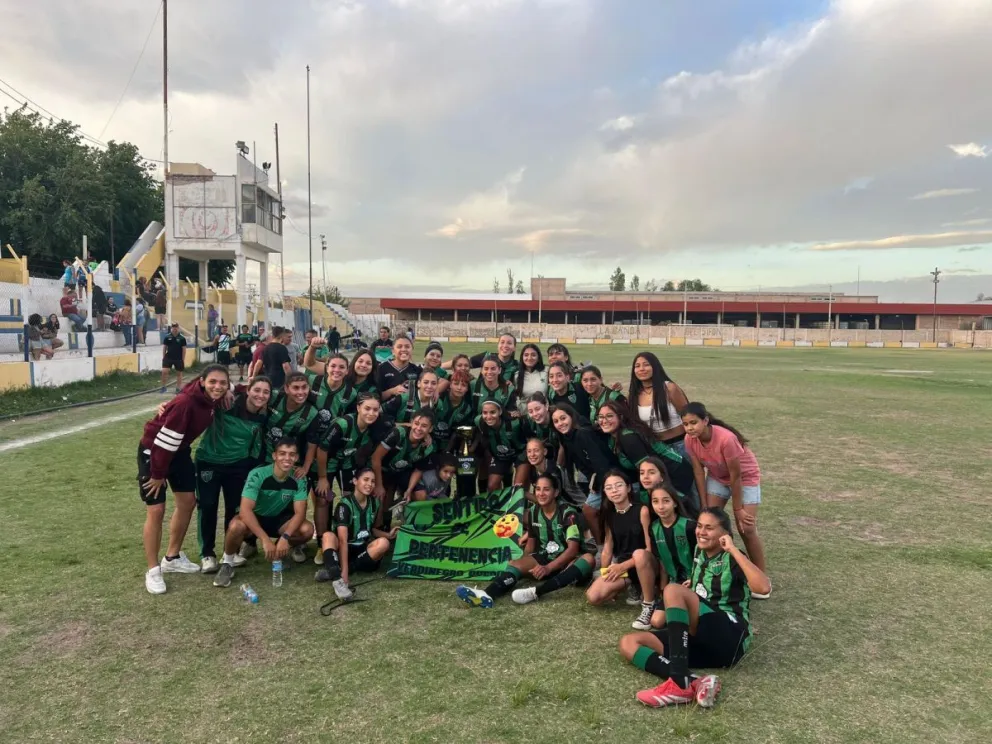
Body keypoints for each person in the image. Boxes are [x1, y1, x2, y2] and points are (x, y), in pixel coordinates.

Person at [618, 508, 770, 709]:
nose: (701, 532)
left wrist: (733, 549)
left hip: (730, 636)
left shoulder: (731, 556)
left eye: (709, 528)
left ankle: (677, 686)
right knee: (629, 642)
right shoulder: (699, 552)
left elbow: (763, 587)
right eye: (699, 526)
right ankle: (692, 681)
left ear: (724, 534)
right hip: (701, 639)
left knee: (672, 590)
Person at [138, 365, 230, 594]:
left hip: (178, 452)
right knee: (156, 510)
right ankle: (153, 570)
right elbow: (163, 443)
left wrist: (230, 391)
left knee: (188, 502)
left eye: (223, 383)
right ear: (201, 382)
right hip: (154, 452)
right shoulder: (186, 404)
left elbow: (232, 389)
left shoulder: (210, 396)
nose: (217, 387)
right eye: (213, 382)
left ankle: (172, 558)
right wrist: (158, 475)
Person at [456, 473, 595, 608]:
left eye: (546, 489)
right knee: (515, 564)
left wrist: (548, 568)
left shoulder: (568, 513)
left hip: (568, 563)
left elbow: (572, 550)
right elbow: (531, 544)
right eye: (538, 489)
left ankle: (536, 592)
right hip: (546, 557)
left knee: (588, 559)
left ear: (556, 492)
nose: (541, 493)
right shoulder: (534, 512)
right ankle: (486, 595)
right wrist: (523, 564)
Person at [192, 376, 272, 573]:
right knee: (208, 505)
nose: (260, 395)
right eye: (256, 390)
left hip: (238, 466)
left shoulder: (265, 415)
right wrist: (230, 387)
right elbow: (199, 389)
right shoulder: (227, 402)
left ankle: (231, 552)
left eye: (266, 392)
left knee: (234, 509)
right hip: (209, 462)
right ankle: (207, 554)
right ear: (247, 390)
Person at [212, 438, 314, 588]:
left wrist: (285, 538)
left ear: (297, 458)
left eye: (292, 454)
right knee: (236, 526)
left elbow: (300, 513)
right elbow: (245, 510)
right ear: (274, 456)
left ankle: (279, 549)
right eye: (282, 454)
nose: (287, 458)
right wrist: (264, 540)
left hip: (280, 520)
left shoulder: (298, 478)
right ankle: (227, 563)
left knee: (307, 530)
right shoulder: (258, 474)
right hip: (255, 519)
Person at [682, 402, 767, 581]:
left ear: (705, 421)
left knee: (746, 528)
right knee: (710, 524)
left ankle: (760, 577)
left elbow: (736, 476)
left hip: (745, 478)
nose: (690, 428)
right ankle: (719, 571)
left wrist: (738, 509)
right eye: (686, 424)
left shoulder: (726, 439)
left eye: (694, 422)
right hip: (717, 477)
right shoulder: (689, 440)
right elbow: (698, 471)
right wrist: (704, 504)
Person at [585, 470, 657, 631]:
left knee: (639, 554)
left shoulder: (642, 510)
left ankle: (648, 604)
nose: (614, 490)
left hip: (646, 563)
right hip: (625, 568)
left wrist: (622, 566)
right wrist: (605, 573)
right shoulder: (609, 515)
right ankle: (633, 586)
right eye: (609, 488)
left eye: (619, 486)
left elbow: (649, 549)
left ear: (629, 488)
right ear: (605, 492)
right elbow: (607, 549)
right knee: (593, 597)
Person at [314, 394, 385, 556]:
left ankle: (352, 539)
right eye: (367, 408)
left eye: (375, 410)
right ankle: (321, 544)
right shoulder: (342, 424)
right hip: (328, 463)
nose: (371, 413)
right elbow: (322, 449)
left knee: (352, 498)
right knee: (322, 498)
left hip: (346, 463)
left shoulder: (373, 426)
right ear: (358, 408)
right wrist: (323, 478)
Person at [597, 401, 697, 510]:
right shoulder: (614, 437)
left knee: (676, 509)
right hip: (662, 472)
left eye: (609, 416)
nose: (604, 421)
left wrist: (644, 497)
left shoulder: (627, 437)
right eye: (601, 417)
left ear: (621, 417)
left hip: (675, 472)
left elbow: (646, 469)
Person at [315, 468, 396, 598]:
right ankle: (338, 580)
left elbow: (372, 529)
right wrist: (345, 574)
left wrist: (388, 535)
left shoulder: (375, 503)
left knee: (384, 543)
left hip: (363, 551)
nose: (369, 484)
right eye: (365, 479)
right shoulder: (344, 505)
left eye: (373, 481)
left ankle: (334, 571)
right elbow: (342, 540)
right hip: (344, 547)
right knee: (327, 536)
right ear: (355, 481)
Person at [551, 402, 617, 544]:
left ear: (572, 417)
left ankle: (603, 545)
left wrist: (598, 482)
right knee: (590, 510)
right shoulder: (567, 438)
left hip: (612, 476)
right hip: (599, 478)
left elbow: (602, 463)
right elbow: (583, 466)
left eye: (563, 418)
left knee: (592, 510)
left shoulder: (583, 434)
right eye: (556, 421)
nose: (560, 423)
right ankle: (601, 545)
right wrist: (591, 477)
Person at [370, 410, 437, 517]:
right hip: (382, 470)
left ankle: (411, 523)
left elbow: (418, 470)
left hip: (402, 472)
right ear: (411, 423)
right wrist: (378, 485)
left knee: (420, 494)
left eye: (424, 426)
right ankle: (380, 527)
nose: (419, 428)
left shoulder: (428, 447)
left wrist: (409, 490)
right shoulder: (398, 433)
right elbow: (375, 458)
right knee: (381, 502)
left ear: (431, 429)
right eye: (416, 423)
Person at [629, 352, 691, 457]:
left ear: (655, 367)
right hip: (655, 448)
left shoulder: (669, 388)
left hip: (680, 445)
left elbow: (689, 416)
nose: (642, 369)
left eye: (646, 364)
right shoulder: (633, 395)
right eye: (637, 366)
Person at [647, 485, 697, 589]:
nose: (661, 507)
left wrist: (694, 578)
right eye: (655, 501)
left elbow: (703, 557)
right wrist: (662, 589)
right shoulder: (654, 528)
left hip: (696, 579)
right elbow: (663, 564)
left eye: (666, 501)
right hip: (674, 582)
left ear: (674, 503)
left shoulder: (690, 527)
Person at [477, 401, 527, 491]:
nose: (488, 416)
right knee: (492, 486)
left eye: (492, 412)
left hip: (520, 454)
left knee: (518, 488)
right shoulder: (479, 421)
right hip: (500, 456)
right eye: (485, 413)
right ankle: (500, 504)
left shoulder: (515, 422)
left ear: (500, 412)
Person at [515, 344, 547, 415]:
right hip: (524, 416)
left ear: (538, 357)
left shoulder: (546, 372)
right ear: (522, 357)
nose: (529, 358)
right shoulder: (517, 375)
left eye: (533, 355)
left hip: (542, 415)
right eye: (526, 355)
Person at [160, 323, 188, 393]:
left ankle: (178, 388)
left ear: (178, 328)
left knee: (179, 373)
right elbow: (164, 347)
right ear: (171, 328)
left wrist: (183, 359)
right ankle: (163, 387)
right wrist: (164, 357)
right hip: (168, 357)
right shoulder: (167, 337)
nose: (174, 329)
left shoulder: (182, 338)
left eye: (176, 327)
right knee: (164, 372)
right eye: (173, 327)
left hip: (178, 358)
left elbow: (184, 349)